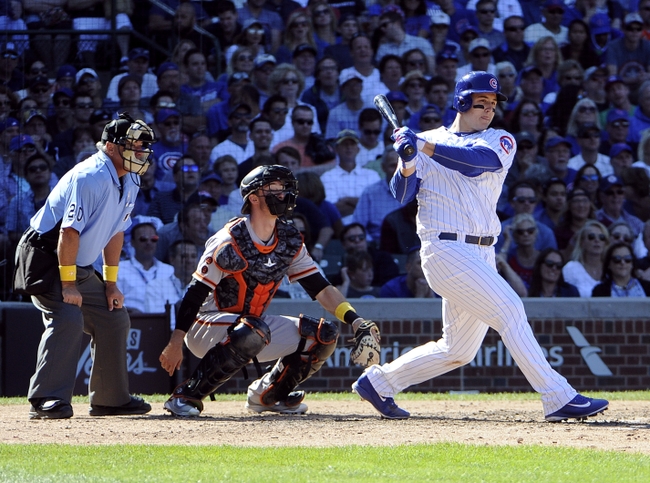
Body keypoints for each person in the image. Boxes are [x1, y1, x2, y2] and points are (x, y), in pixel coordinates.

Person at [351, 71, 608, 422]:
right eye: (480, 102)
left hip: (483, 253)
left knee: (458, 349)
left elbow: (474, 163)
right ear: (461, 102)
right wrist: (407, 161)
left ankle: (379, 383)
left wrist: (420, 146)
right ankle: (558, 396)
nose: (488, 109)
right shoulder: (425, 140)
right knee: (510, 310)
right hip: (444, 249)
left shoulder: (499, 139)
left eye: (492, 104)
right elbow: (401, 194)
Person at [159, 164, 379, 416]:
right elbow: (194, 294)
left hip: (252, 327)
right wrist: (175, 342)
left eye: (284, 188)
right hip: (205, 325)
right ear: (253, 198)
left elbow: (321, 288)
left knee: (323, 335)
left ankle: (267, 395)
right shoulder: (229, 240)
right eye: (274, 188)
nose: (283, 194)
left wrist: (355, 320)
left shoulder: (289, 239)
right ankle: (185, 396)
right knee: (253, 329)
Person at [13, 113, 155, 419]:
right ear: (111, 147)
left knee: (114, 318)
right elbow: (69, 232)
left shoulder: (131, 179)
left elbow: (116, 232)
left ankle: (110, 399)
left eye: (143, 146)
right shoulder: (89, 175)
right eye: (134, 145)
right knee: (67, 316)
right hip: (45, 256)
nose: (141, 151)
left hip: (76, 262)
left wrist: (111, 284)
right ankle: (46, 398)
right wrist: (68, 285)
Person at [117, 221, 174, 313]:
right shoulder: (120, 269)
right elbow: (115, 300)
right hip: (132, 320)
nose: (148, 242)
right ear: (132, 242)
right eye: (143, 239)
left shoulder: (169, 270)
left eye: (154, 239)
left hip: (163, 320)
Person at [562, 219, 610, 297]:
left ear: (605, 243)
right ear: (582, 242)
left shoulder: (611, 269)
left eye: (601, 237)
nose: (597, 240)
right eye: (591, 237)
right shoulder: (571, 268)